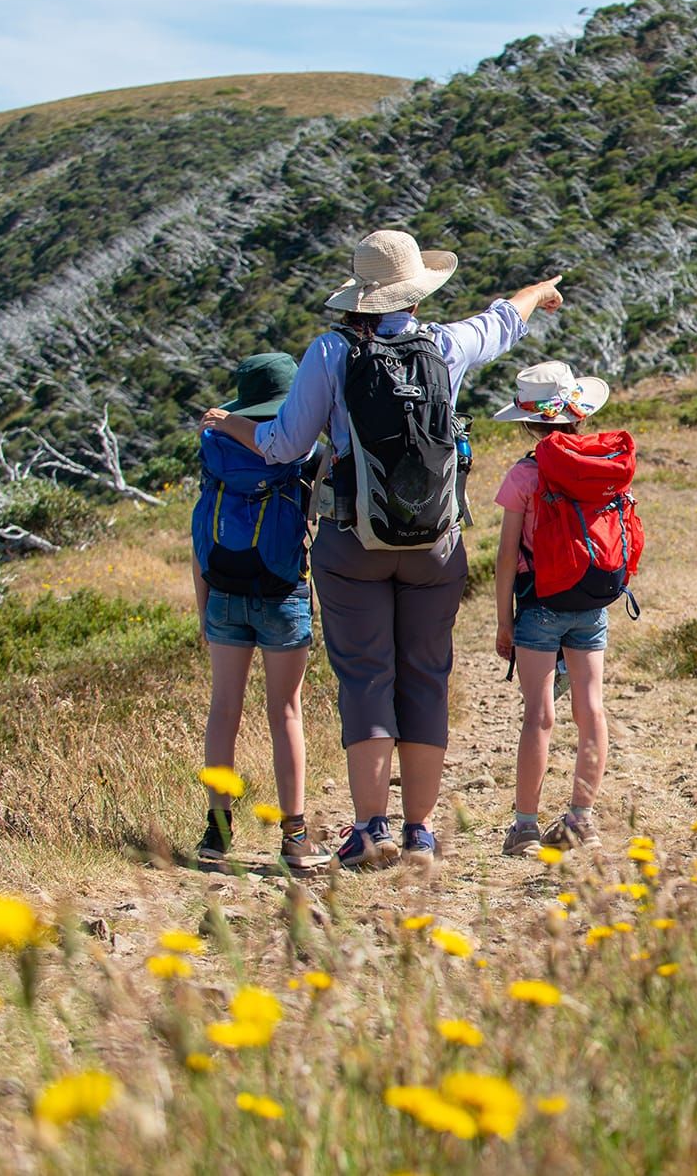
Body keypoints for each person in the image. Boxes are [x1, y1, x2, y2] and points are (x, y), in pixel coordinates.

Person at [201, 228, 562, 869]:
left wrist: (232, 423)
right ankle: (421, 830)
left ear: (360, 295)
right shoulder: (446, 345)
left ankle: (371, 829)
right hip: (435, 544)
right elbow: (505, 320)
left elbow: (285, 446)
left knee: (366, 677)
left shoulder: (331, 351)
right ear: (417, 293)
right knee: (425, 676)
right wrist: (540, 292)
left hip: (352, 539)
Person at [492, 361, 641, 854]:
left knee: (538, 714)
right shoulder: (600, 464)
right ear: (578, 415)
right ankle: (582, 818)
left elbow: (507, 557)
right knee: (591, 707)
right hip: (593, 601)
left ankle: (525, 827)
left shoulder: (525, 474)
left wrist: (503, 622)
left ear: (530, 422)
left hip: (540, 605)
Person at [191, 352, 329, 872]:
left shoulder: (216, 450)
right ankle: (294, 837)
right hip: (283, 589)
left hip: (224, 587)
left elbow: (200, 532)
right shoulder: (304, 452)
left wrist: (204, 607)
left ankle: (217, 832)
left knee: (223, 708)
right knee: (285, 712)